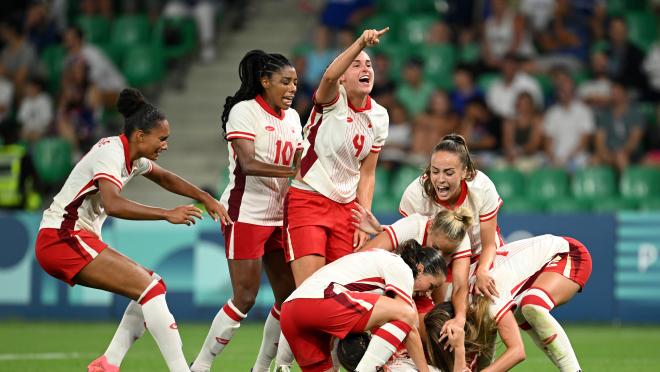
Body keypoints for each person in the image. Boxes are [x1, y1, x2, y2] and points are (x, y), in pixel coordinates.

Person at [34, 88, 230, 372]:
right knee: (150, 288)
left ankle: (108, 364)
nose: (165, 145)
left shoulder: (132, 157)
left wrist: (206, 197)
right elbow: (113, 204)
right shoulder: (111, 153)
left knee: (151, 288)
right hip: (62, 237)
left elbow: (165, 178)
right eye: (162, 139)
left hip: (72, 237)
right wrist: (166, 213)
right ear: (140, 136)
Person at [189, 50, 303, 372]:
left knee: (289, 298)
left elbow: (300, 162)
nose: (293, 88)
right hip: (245, 214)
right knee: (245, 297)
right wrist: (292, 172)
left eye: (295, 82)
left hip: (281, 217)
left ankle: (261, 367)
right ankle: (201, 364)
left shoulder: (293, 118)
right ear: (265, 82)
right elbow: (249, 164)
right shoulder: (244, 112)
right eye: (285, 81)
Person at [284, 28, 389, 284]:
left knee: (339, 290)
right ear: (343, 77)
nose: (366, 69)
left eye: (369, 64)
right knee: (310, 291)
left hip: (345, 209)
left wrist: (362, 216)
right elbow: (329, 75)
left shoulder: (380, 116)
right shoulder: (332, 99)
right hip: (308, 200)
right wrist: (360, 42)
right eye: (356, 65)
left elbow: (368, 173)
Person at [425, 234, 592, 371]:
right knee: (520, 314)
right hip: (527, 279)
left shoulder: (488, 298)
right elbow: (485, 354)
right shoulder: (464, 301)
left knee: (532, 306)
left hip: (567, 253)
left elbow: (517, 351)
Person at [280, 240, 447, 372]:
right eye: (431, 286)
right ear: (420, 268)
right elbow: (409, 324)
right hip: (319, 300)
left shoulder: (380, 259)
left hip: (290, 311)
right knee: (407, 313)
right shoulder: (401, 268)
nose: (428, 293)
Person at [397, 134, 504, 336]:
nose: (440, 179)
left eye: (448, 173)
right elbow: (417, 250)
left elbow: (490, 244)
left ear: (465, 172)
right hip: (437, 261)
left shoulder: (482, 187)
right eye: (434, 171)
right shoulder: (415, 194)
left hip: (478, 256)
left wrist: (482, 271)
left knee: (484, 315)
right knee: (437, 318)